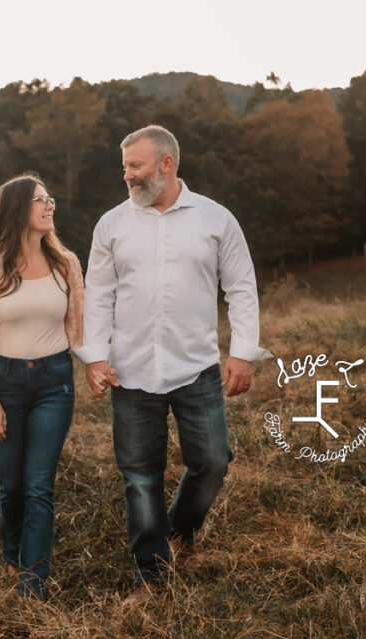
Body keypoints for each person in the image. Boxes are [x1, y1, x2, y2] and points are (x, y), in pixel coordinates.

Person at [73, 125, 272, 604]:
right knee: (140, 477)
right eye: (124, 167)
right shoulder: (112, 225)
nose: (128, 176)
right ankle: (151, 575)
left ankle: (178, 535)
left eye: (136, 166)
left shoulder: (215, 219)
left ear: (167, 164)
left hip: (197, 368)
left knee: (213, 462)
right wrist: (94, 356)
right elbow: (97, 295)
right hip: (131, 371)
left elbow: (241, 286)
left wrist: (243, 350)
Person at [0, 173, 84, 600]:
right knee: (11, 486)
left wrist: (95, 368)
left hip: (54, 383)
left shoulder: (66, 263)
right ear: (16, 210)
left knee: (38, 487)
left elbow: (76, 331)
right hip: (7, 383)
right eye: (39, 200)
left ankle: (33, 584)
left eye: (50, 199)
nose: (50, 206)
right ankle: (14, 556)